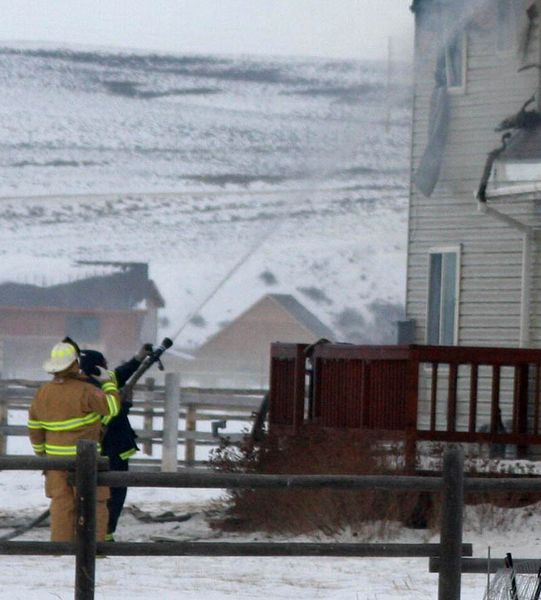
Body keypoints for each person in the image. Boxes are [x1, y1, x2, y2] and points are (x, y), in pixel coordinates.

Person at [27, 341, 120, 542]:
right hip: (85, 461)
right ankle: (94, 549)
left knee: (61, 505)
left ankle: (61, 548)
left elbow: (34, 427)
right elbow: (112, 408)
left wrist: (42, 456)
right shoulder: (86, 391)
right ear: (74, 364)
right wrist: (109, 382)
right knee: (93, 503)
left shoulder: (43, 393)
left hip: (54, 461)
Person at [77, 344, 151, 542]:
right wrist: (124, 404)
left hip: (101, 450)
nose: (108, 368)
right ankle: (104, 534)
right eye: (104, 365)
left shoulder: (88, 384)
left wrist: (138, 358)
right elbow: (108, 417)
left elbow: (122, 373)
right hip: (110, 450)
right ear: (98, 367)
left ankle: (101, 532)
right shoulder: (94, 390)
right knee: (113, 494)